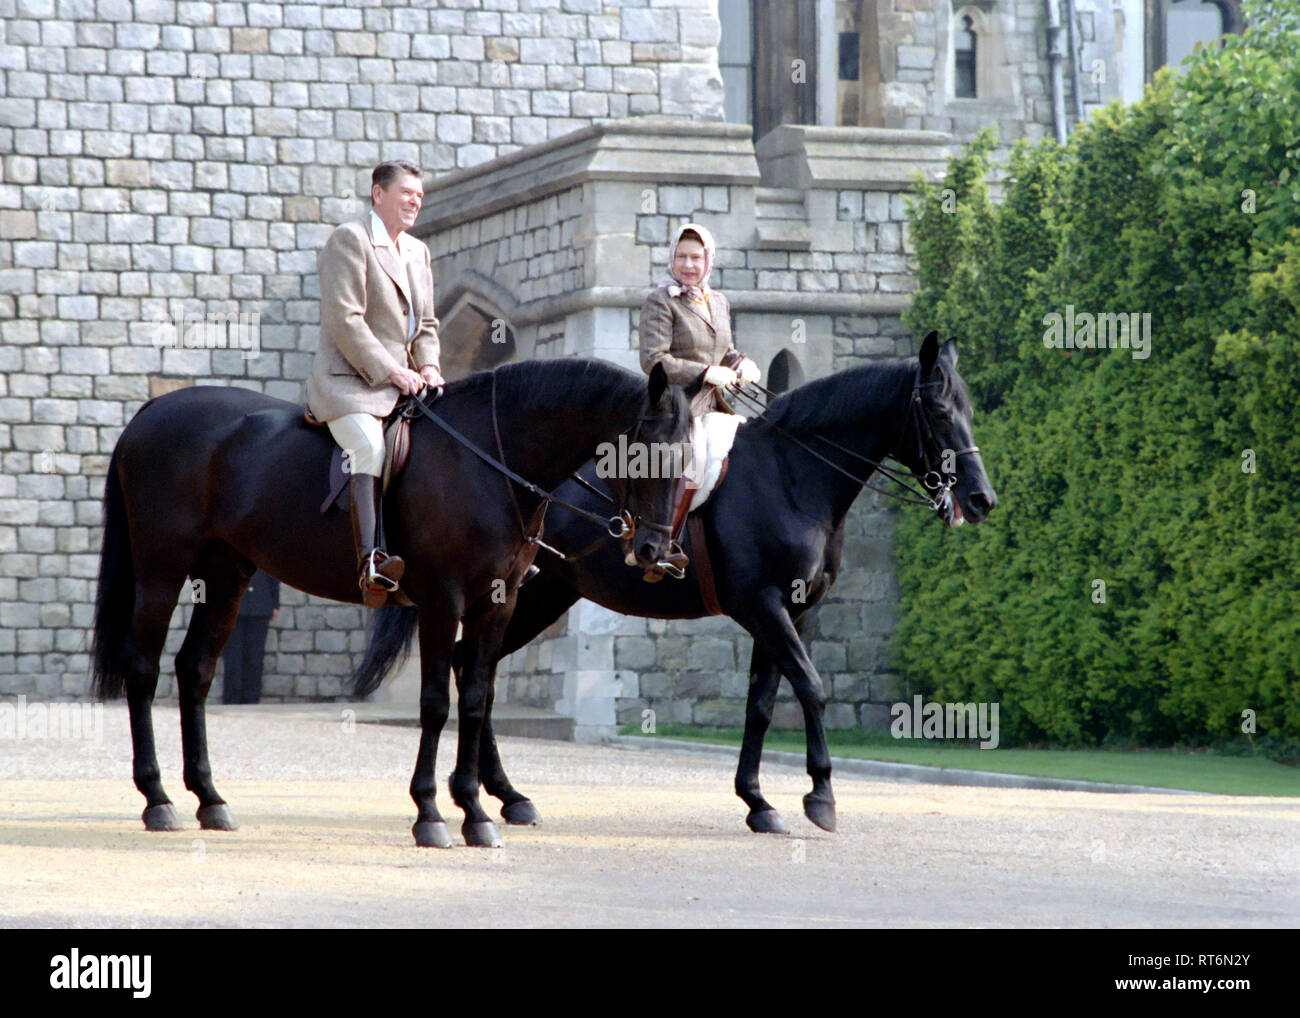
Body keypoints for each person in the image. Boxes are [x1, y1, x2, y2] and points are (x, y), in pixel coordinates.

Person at [305, 161, 444, 608]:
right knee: (368, 446)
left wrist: (429, 367)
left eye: (419, 196)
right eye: (406, 193)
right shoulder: (350, 240)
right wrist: (390, 370)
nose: (414, 202)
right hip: (350, 383)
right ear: (378, 193)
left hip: (405, 384)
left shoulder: (418, 252)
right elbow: (345, 321)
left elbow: (425, 325)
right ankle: (371, 561)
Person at [638, 222, 760, 417]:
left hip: (717, 406)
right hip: (675, 410)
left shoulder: (719, 302)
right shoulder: (660, 301)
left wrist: (741, 364)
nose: (688, 265)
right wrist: (705, 373)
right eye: (681, 257)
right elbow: (654, 360)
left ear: (708, 260)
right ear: (672, 258)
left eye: (695, 258)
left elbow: (724, 352)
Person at [220, 569, 279, 705]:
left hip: (260, 606)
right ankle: (232, 698)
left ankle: (251, 698)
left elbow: (273, 574)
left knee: (255, 657)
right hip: (231, 606)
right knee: (232, 658)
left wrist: (275, 603)